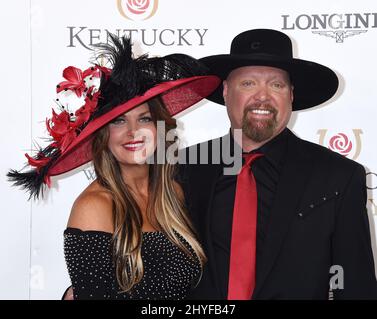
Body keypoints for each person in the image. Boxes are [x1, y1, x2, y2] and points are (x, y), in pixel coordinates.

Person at [8, 35, 220, 299]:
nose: (133, 132)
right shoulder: (94, 207)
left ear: (159, 127)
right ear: (102, 136)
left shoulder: (174, 193)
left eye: (144, 118)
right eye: (118, 121)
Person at [178, 29, 377, 299]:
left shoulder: (339, 177)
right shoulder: (182, 170)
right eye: (248, 83)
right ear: (225, 91)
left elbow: (355, 285)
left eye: (276, 85)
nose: (263, 97)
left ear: (291, 95)